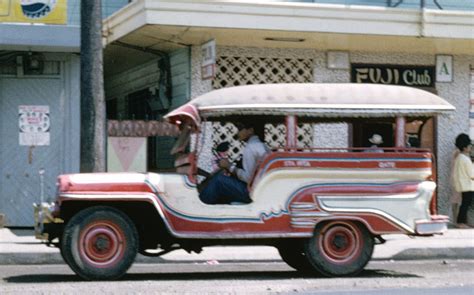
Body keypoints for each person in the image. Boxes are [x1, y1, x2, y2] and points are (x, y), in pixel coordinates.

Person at [200, 121, 270, 205]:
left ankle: (200, 207)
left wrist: (229, 166)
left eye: (240, 129)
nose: (237, 133)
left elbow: (247, 178)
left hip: (250, 192)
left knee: (218, 180)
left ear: (250, 130)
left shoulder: (251, 147)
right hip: (260, 189)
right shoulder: (261, 145)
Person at [452, 133, 474, 228]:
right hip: (468, 185)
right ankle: (461, 222)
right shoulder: (465, 159)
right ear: (465, 148)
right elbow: (472, 174)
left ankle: (462, 222)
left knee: (465, 203)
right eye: (470, 146)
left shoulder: (459, 158)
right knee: (465, 204)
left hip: (462, 185)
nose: (471, 148)